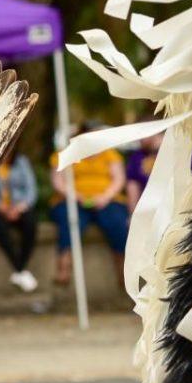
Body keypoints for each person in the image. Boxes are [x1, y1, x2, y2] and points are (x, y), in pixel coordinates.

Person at [49, 123, 128, 287]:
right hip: (72, 199)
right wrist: (78, 196)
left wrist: (105, 197)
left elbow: (119, 179)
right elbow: (58, 182)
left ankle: (124, 271)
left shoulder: (110, 155)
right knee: (70, 221)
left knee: (116, 222)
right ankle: (63, 267)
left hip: (107, 200)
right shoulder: (65, 154)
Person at [0, 147, 40, 293]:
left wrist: (19, 207)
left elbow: (31, 190)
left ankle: (19, 269)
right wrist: (2, 208)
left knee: (30, 224)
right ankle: (20, 270)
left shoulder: (21, 162)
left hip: (19, 207)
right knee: (0, 229)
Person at [125, 125, 162, 212]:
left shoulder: (178, 151)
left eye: (142, 134)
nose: (139, 139)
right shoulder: (137, 157)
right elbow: (133, 187)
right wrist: (133, 213)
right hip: (148, 207)